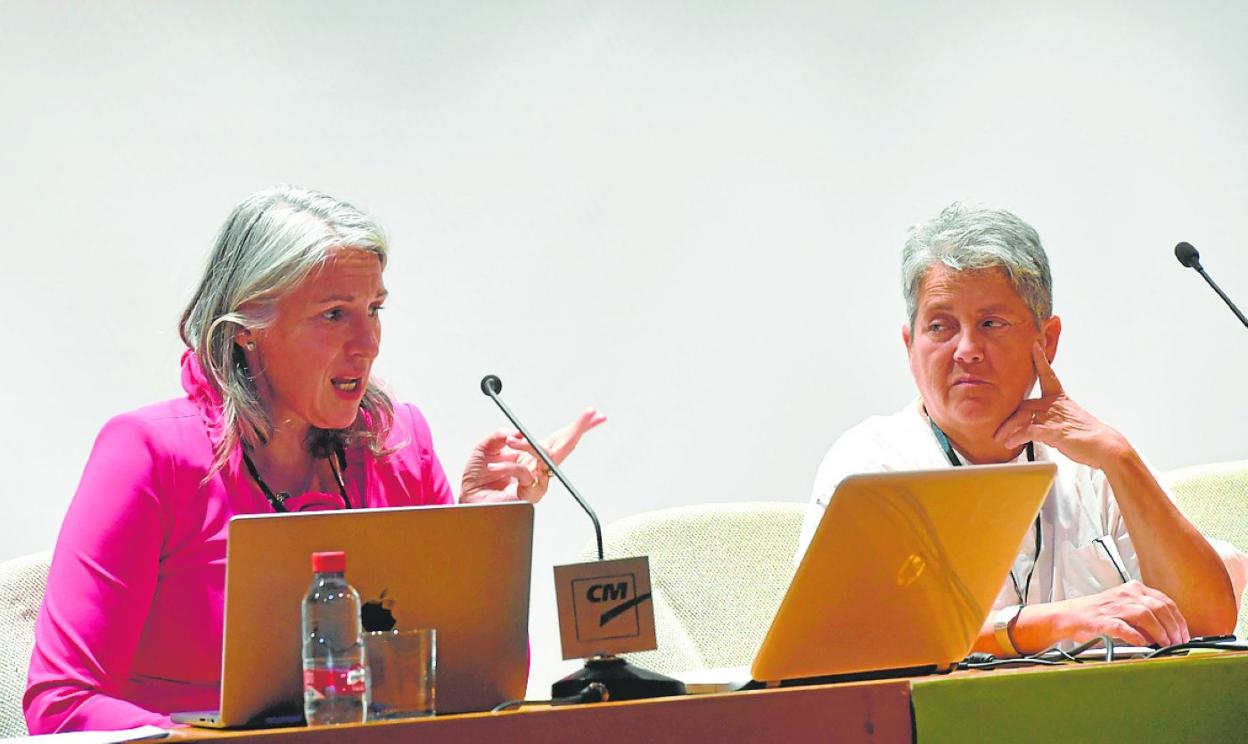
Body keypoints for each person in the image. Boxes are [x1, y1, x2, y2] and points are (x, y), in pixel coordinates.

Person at [24, 186, 605, 734]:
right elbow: (60, 702)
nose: (369, 342)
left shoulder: (401, 444)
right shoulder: (147, 453)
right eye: (334, 314)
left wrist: (482, 537)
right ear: (251, 324)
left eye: (374, 309)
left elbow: (475, 689)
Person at [798, 202, 1245, 658]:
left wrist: (1119, 457)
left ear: (1046, 341)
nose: (966, 350)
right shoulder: (871, 466)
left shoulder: (1094, 459)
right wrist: (1046, 624)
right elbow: (841, 642)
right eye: (941, 327)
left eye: (991, 323)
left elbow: (1208, 618)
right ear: (910, 346)